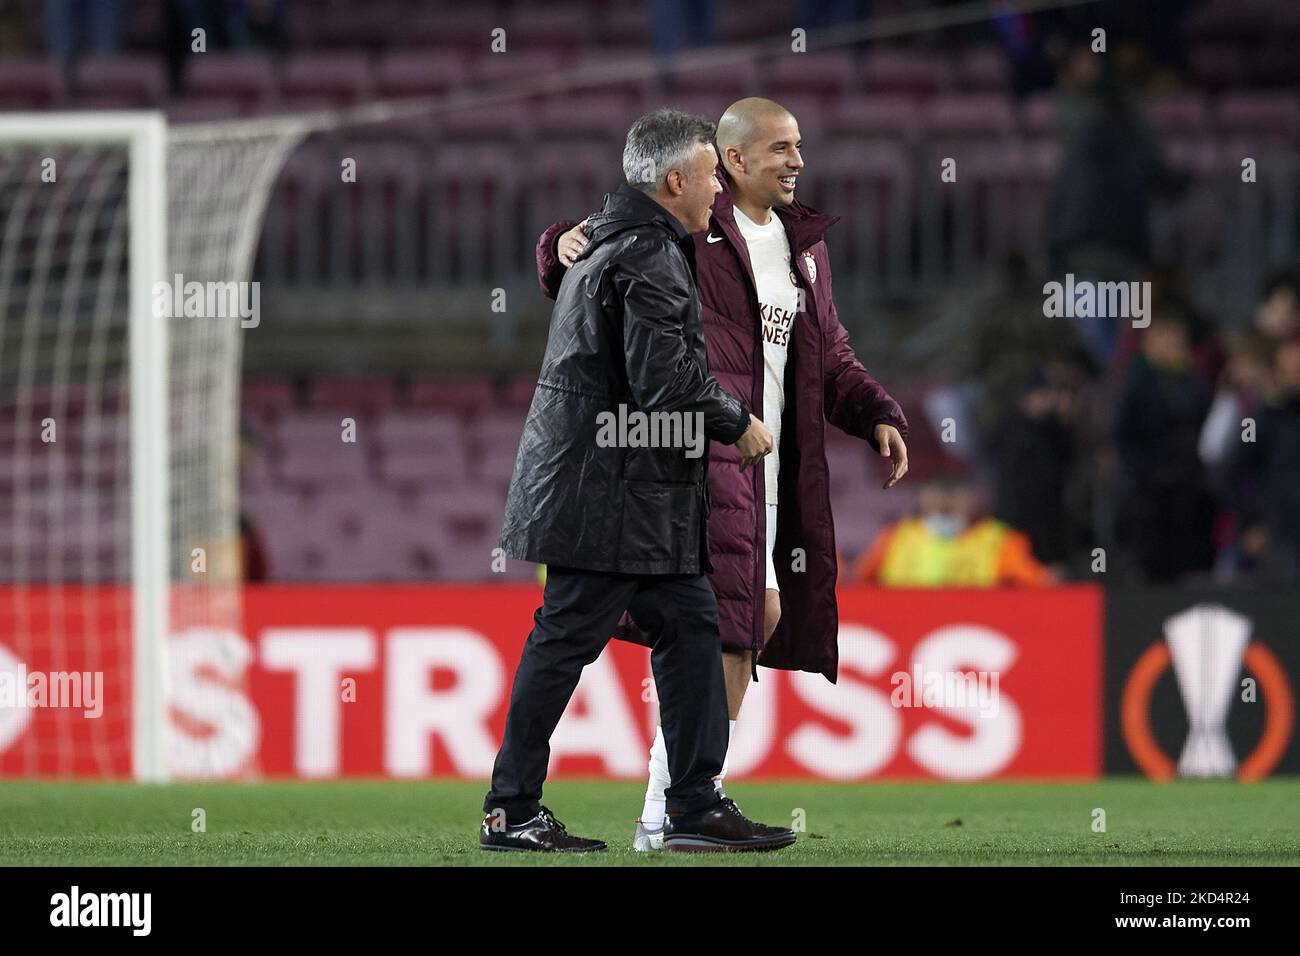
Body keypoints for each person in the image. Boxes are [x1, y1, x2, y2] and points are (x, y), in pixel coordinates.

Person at [537, 98, 908, 850]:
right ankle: (676, 809)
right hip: (701, 461)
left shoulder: (803, 249)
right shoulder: (687, 233)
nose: (798, 162)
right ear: (731, 161)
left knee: (751, 624)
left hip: (769, 470)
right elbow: (595, 252)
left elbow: (828, 351)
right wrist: (558, 243)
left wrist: (875, 411)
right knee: (729, 631)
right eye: (780, 148)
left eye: (800, 146)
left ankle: (672, 806)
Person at [483, 108, 794, 854]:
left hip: (622, 491)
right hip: (607, 496)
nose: (718, 189)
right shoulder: (650, 255)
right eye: (712, 175)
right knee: (563, 644)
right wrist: (736, 419)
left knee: (692, 629)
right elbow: (666, 381)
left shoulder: (615, 239)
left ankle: (691, 805)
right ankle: (512, 808)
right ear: (676, 179)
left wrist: (556, 242)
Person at [852, 475, 1053, 587]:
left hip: (976, 628)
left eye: (951, 510)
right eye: (937, 510)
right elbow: (858, 581)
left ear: (972, 507)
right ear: (923, 507)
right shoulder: (896, 537)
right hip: (903, 625)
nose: (944, 514)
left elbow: (1037, 583)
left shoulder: (998, 541)